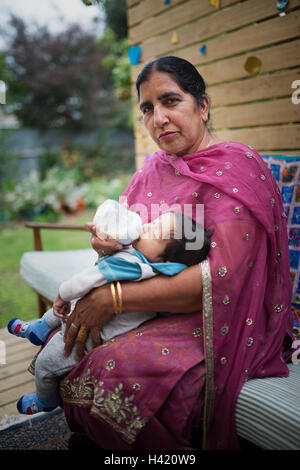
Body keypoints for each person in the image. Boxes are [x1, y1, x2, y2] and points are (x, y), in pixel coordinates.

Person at [32, 56, 294, 450]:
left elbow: (223, 278)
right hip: (148, 305)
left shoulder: (239, 169)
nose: (159, 119)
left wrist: (113, 298)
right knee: (69, 339)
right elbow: (131, 241)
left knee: (116, 367)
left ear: (202, 106)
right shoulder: (154, 168)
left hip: (217, 315)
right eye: (148, 109)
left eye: (171, 101)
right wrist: (104, 244)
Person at [8, 205, 210, 415]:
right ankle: (39, 328)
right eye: (153, 222)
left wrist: (61, 294)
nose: (145, 227)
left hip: (87, 338)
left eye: (155, 232)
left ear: (167, 261)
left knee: (45, 363)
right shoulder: (149, 263)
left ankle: (44, 400)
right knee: (72, 304)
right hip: (86, 310)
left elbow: (85, 280)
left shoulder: (131, 265)